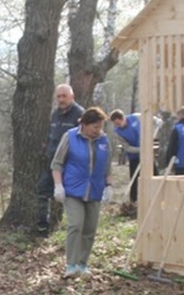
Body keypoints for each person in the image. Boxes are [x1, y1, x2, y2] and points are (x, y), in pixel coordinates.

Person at [52, 107, 112, 278]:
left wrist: (109, 186)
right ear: (85, 124)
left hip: (94, 190)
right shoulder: (70, 137)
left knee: (90, 229)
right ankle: (71, 265)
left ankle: (82, 264)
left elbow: (107, 166)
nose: (98, 131)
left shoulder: (104, 141)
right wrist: (58, 185)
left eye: (100, 127)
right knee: (76, 224)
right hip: (73, 190)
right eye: (95, 127)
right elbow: (57, 164)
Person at [36, 84, 84, 235]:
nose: (61, 99)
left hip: (71, 164)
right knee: (42, 191)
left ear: (72, 96)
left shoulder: (80, 114)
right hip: (53, 162)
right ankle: (43, 228)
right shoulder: (55, 114)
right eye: (59, 96)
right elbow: (50, 134)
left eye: (64, 96)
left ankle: (75, 229)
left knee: (72, 198)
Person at [109, 109, 142, 203]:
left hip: (147, 155)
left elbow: (150, 118)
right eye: (116, 124)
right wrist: (140, 150)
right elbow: (127, 148)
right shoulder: (118, 132)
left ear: (123, 118)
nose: (118, 126)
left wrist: (156, 121)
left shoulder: (135, 117)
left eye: (119, 123)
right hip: (134, 157)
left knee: (154, 175)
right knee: (134, 180)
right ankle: (133, 201)